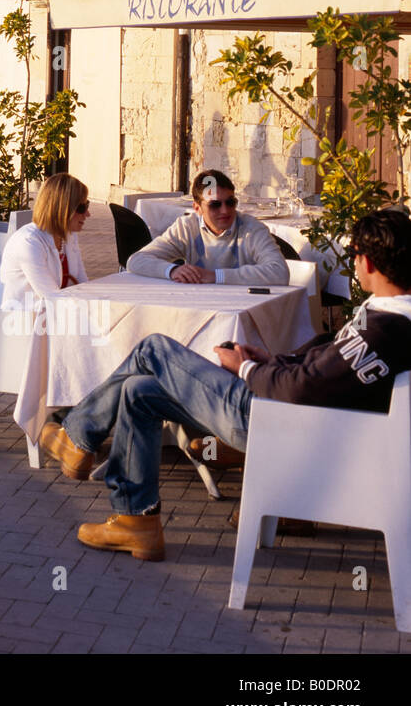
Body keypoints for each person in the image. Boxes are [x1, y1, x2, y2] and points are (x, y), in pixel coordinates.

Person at [40, 208, 411, 562]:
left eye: (356, 254)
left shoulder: (383, 332)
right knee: (139, 392)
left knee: (153, 349)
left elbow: (302, 389)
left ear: (369, 263)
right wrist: (271, 361)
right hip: (293, 417)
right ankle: (136, 520)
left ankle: (78, 434)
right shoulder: (387, 315)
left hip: (279, 425)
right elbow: (323, 367)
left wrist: (247, 368)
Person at [127, 168, 288, 285]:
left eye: (230, 202)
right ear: (197, 208)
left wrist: (215, 276)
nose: (225, 210)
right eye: (215, 205)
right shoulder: (186, 227)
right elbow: (136, 260)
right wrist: (172, 270)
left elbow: (279, 272)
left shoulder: (252, 229)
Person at [0, 172, 91, 316]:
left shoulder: (68, 235)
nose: (87, 214)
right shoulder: (29, 242)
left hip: (50, 316)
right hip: (20, 322)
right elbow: (51, 296)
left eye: (87, 205)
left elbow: (82, 283)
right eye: (82, 208)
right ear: (62, 208)